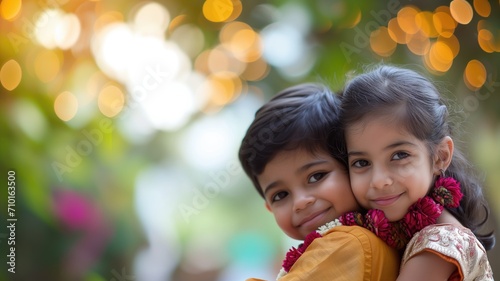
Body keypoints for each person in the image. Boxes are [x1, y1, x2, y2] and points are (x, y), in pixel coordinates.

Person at [338, 65, 495, 280]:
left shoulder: (439, 245)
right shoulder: (395, 235)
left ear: (440, 157)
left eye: (400, 156)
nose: (379, 180)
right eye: (361, 162)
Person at [238, 83, 400, 281]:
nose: (300, 202)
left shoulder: (346, 244)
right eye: (281, 195)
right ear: (269, 208)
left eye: (316, 176)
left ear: (353, 167)